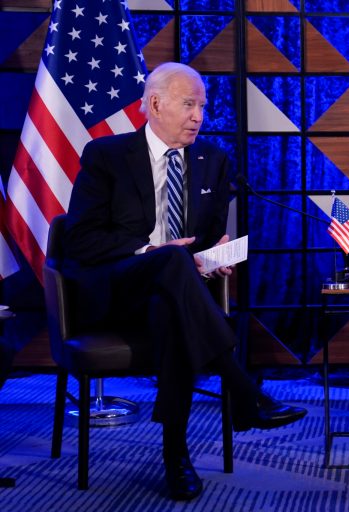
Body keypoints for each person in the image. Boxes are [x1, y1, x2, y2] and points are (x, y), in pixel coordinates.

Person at [61, 62, 307, 501]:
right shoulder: (107, 156)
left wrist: (216, 256)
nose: (199, 116)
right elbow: (79, 241)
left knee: (171, 304)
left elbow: (205, 240)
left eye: (202, 106)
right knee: (171, 260)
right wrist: (149, 252)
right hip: (114, 289)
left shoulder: (213, 161)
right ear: (155, 104)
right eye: (189, 105)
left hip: (172, 293)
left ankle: (177, 456)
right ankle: (243, 391)